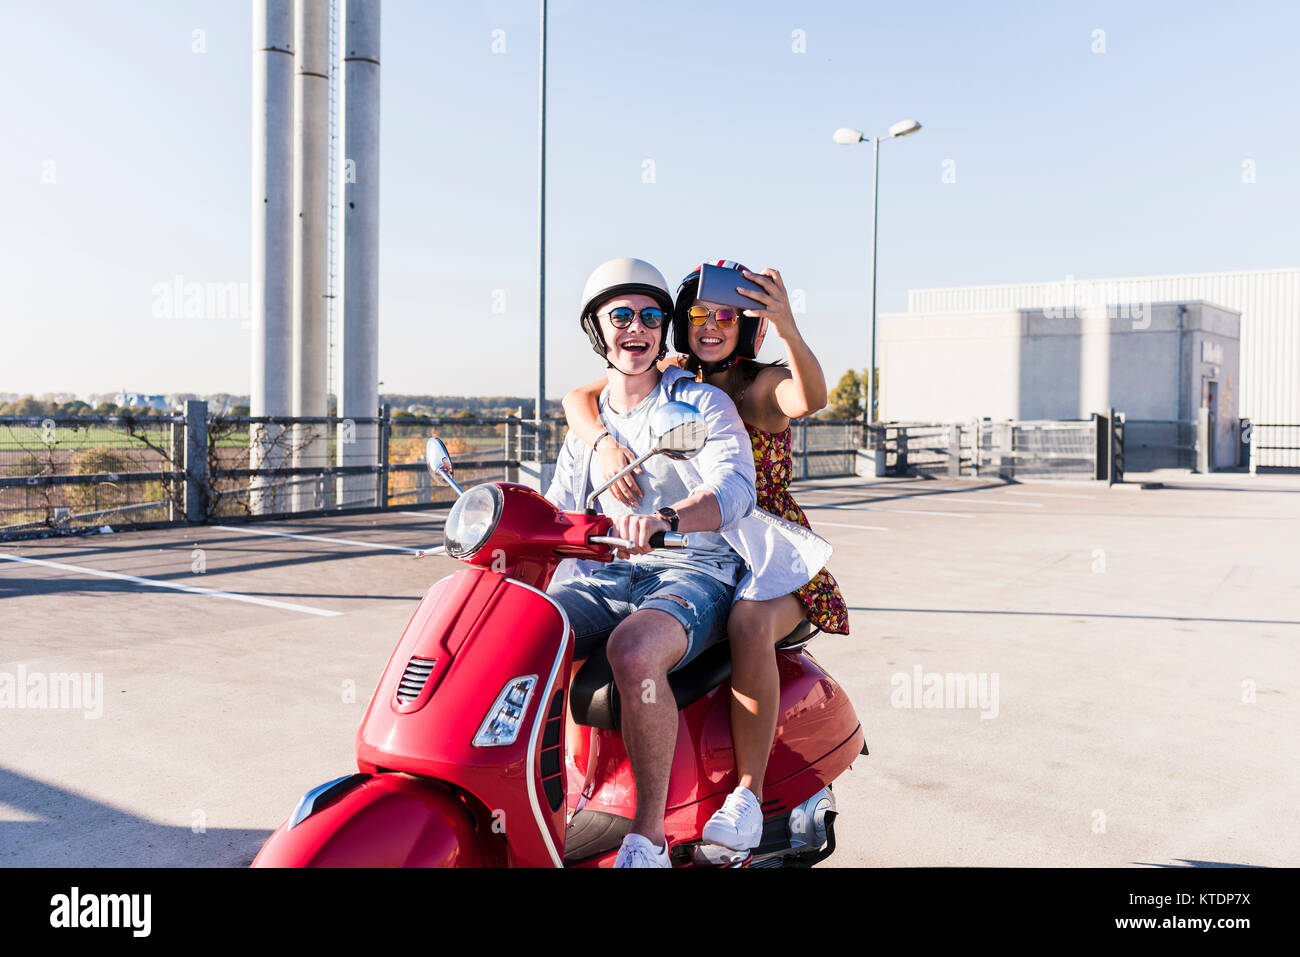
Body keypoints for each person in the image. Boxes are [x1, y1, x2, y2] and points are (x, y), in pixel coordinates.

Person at [545, 258, 830, 868]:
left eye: (726, 315)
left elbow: (805, 405)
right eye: (699, 314)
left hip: (756, 545)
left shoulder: (746, 388)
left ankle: (736, 799)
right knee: (521, 625)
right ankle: (540, 795)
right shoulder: (659, 372)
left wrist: (785, 322)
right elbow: (580, 400)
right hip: (629, 561)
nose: (710, 325)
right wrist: (597, 440)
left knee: (746, 626)